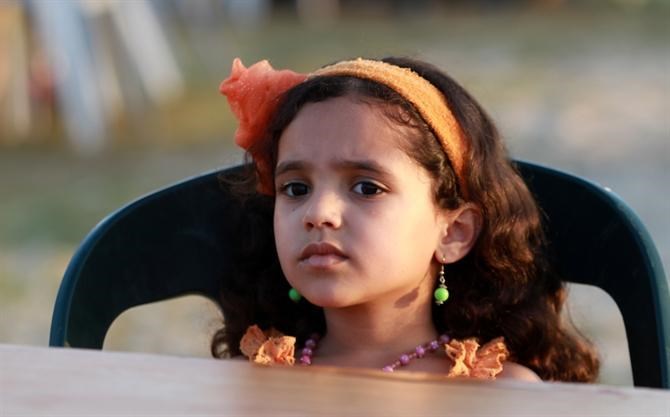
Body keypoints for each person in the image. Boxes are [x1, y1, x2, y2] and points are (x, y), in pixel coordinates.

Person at [211, 56, 600, 382]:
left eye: (366, 188)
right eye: (296, 189)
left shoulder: (495, 392)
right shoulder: (250, 379)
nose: (318, 213)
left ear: (453, 232)